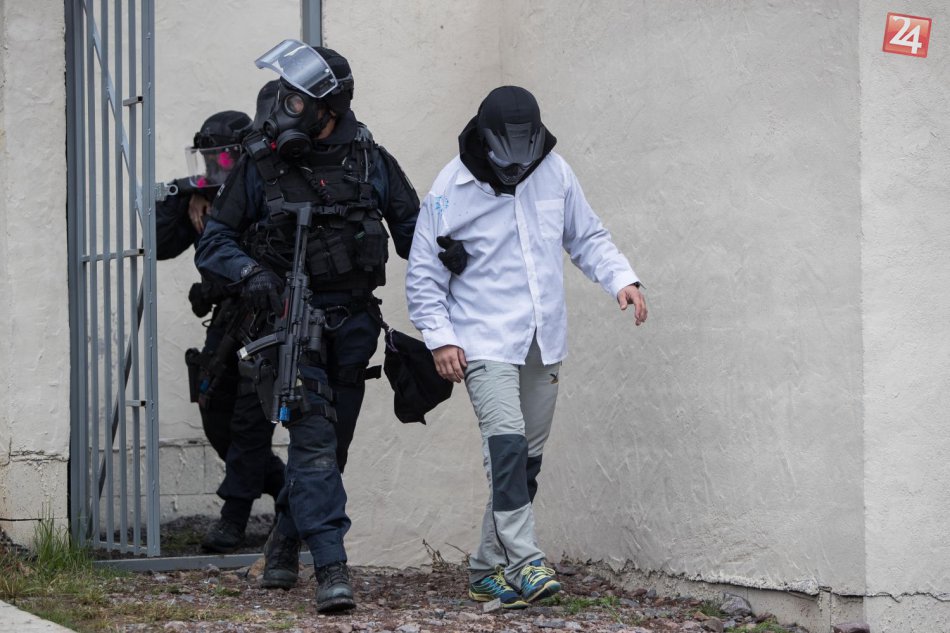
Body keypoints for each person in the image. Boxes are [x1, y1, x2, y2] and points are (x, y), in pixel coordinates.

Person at [195, 40, 420, 613]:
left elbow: (416, 234)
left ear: (329, 107)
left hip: (354, 327)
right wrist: (249, 273)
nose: (284, 108)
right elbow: (214, 242)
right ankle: (331, 568)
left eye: (297, 100)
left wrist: (457, 261)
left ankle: (283, 542)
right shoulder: (259, 164)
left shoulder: (371, 161)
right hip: (290, 324)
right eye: (284, 96)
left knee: (330, 450)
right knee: (314, 440)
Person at [405, 86, 648, 609]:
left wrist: (621, 280)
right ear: (486, 140)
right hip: (483, 338)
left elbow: (586, 236)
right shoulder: (450, 187)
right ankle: (526, 562)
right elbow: (423, 274)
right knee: (507, 448)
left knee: (524, 463)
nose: (518, 163)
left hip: (543, 337)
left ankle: (484, 568)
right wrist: (440, 339)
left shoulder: (555, 172)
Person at [155, 110, 287, 553]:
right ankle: (284, 488)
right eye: (208, 160)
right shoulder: (207, 197)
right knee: (215, 414)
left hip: (264, 318)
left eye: (221, 160)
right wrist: (188, 193)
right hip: (226, 321)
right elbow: (159, 243)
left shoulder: (264, 188)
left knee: (251, 420)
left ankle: (235, 517)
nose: (215, 168)